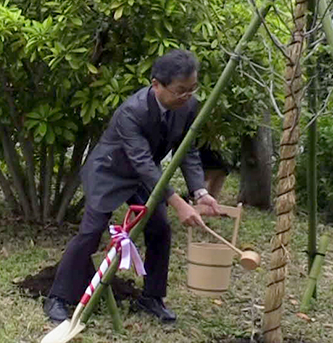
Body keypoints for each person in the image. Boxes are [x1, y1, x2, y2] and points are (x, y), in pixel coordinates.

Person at [43, 49, 221, 325]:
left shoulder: (187, 106)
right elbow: (142, 163)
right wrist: (178, 202)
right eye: (180, 91)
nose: (187, 96)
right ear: (156, 84)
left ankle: (151, 298)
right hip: (110, 172)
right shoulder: (131, 112)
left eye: (192, 89)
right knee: (91, 232)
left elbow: (188, 151)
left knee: (160, 228)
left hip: (144, 176)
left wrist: (200, 192)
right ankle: (58, 298)